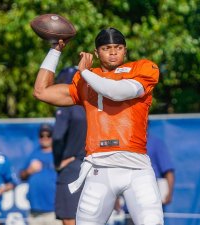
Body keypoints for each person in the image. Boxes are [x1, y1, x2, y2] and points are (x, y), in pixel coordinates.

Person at [33, 27, 164, 225]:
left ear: (125, 50)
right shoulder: (85, 79)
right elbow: (41, 92)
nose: (113, 52)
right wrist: (55, 50)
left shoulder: (142, 68)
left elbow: (117, 92)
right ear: (96, 52)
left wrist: (84, 72)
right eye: (106, 48)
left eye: (118, 47)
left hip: (136, 167)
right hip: (99, 168)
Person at [52, 67, 87, 225]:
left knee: (70, 218)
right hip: (95, 167)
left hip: (73, 168)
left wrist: (58, 162)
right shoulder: (92, 106)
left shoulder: (67, 106)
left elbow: (57, 137)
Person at [20, 124, 62, 225]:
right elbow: (21, 175)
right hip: (35, 211)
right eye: (42, 135)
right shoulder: (34, 154)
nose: (45, 138)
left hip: (54, 211)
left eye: (48, 135)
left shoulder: (59, 154)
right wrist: (29, 171)